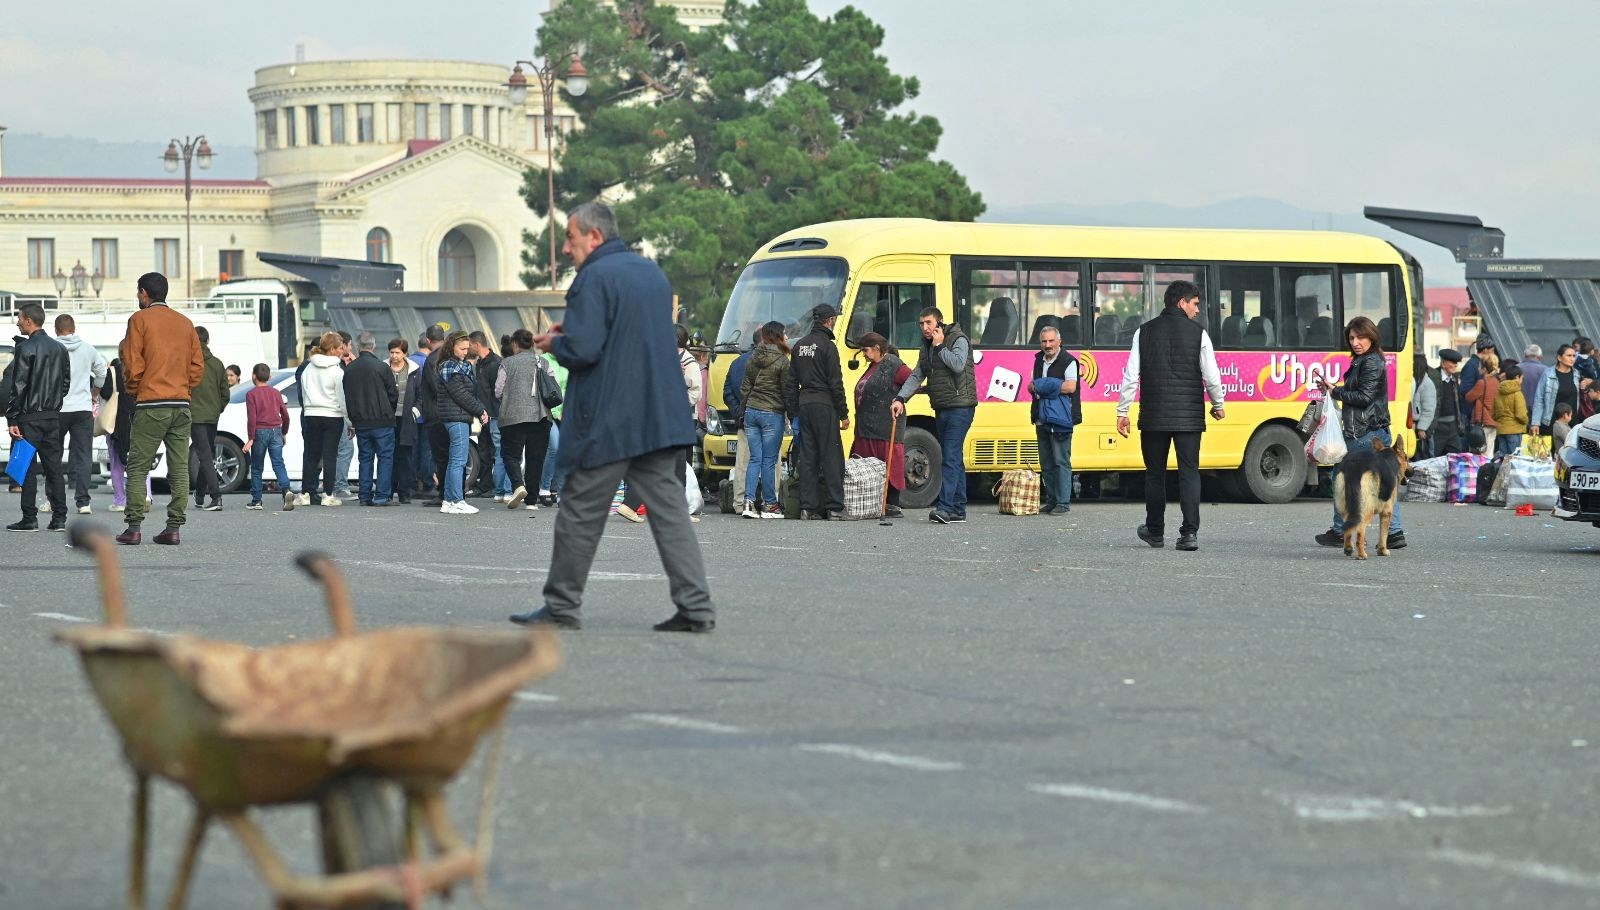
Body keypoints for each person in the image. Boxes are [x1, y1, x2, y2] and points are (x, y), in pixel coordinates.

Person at [513, 201, 715, 633]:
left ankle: (562, 605)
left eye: (570, 238)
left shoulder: (593, 277)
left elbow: (586, 350)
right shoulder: (651, 275)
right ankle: (696, 607)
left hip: (608, 420)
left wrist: (554, 344)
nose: (566, 249)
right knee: (670, 515)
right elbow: (629, 336)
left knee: (579, 513)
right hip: (659, 416)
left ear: (594, 236)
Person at [1115, 281, 1225, 552]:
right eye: (1195, 304)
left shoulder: (1144, 332)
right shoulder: (1199, 334)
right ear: (1181, 303)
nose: (1197, 310)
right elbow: (1211, 375)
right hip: (1188, 418)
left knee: (1155, 475)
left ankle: (1155, 532)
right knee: (1189, 473)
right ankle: (1189, 535)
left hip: (1153, 417)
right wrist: (1218, 403)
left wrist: (1122, 411)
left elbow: (1131, 376)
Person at [117, 273, 205, 546]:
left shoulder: (139, 320)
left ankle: (133, 527)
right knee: (179, 466)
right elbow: (197, 366)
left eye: (138, 292)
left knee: (139, 465)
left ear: (144, 293)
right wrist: (183, 387)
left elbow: (132, 363)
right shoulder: (185, 323)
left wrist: (136, 389)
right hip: (180, 404)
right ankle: (174, 527)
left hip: (151, 402)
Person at [1314, 316, 1405, 551]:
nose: (1355, 342)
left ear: (1371, 336)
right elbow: (1362, 392)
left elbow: (1364, 398)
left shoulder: (1371, 362)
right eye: (1352, 338)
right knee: (1385, 480)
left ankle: (1339, 530)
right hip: (1372, 431)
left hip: (1365, 433)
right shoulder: (1365, 361)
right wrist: (1336, 389)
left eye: (1360, 337)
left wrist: (1337, 394)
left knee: (1343, 477)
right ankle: (1394, 533)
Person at [894, 306, 977, 524]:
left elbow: (958, 366)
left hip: (961, 406)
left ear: (939, 323)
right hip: (941, 406)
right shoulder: (926, 347)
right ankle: (959, 509)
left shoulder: (958, 339)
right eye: (921, 324)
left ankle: (946, 508)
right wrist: (900, 398)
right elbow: (916, 375)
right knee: (954, 458)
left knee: (949, 456)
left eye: (929, 323)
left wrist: (940, 347)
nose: (925, 328)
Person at [6, 302, 70, 533]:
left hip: (29, 417)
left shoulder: (25, 348)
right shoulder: (59, 348)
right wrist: (53, 403)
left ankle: (29, 518)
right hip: (52, 416)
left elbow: (19, 386)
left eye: (20, 318)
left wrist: (12, 418)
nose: (18, 322)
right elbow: (65, 384)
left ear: (29, 320)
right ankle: (59, 518)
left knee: (27, 468)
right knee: (54, 468)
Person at [788, 304, 849, 520]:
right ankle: (834, 507)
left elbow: (791, 382)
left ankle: (807, 508)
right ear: (829, 320)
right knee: (832, 456)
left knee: (808, 457)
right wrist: (844, 413)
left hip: (805, 406)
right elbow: (836, 383)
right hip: (825, 405)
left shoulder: (799, 346)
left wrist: (793, 411)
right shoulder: (828, 347)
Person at [850, 331, 911, 518]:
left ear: (877, 348)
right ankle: (874, 502)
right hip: (867, 427)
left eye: (865, 350)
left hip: (885, 426)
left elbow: (912, 381)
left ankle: (892, 503)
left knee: (890, 464)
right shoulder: (874, 365)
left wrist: (900, 400)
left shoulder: (892, 363)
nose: (863, 354)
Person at [52, 313, 107, 515]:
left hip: (57, 409)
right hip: (82, 409)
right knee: (84, 456)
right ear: (74, 328)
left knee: (53, 455)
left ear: (56, 329)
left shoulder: (51, 348)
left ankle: (53, 500)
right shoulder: (88, 349)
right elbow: (102, 373)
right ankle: (83, 502)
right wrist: (94, 394)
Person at [495, 328, 556, 511]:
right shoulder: (544, 362)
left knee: (510, 455)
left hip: (513, 418)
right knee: (535, 459)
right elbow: (551, 386)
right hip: (541, 417)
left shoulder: (507, 363)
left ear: (515, 344)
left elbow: (498, 390)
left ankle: (518, 485)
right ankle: (531, 502)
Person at [737, 321, 793, 518]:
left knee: (754, 459)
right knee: (769, 461)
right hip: (772, 413)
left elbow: (745, 387)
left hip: (752, 411)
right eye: (784, 334)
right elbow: (787, 391)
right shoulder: (783, 361)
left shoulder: (753, 357)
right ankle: (770, 505)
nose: (786, 337)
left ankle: (748, 503)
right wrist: (790, 413)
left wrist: (745, 409)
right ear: (777, 336)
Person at [343, 331, 399, 506]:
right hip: (382, 420)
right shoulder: (382, 367)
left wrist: (353, 419)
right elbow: (393, 394)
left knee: (365, 458)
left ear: (359, 347)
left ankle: (364, 496)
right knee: (385, 457)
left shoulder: (349, 369)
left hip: (361, 422)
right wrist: (389, 411)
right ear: (373, 346)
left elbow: (347, 396)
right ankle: (382, 495)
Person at [1030, 324, 1080, 515]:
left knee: (1061, 461)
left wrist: (1043, 386)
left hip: (1061, 419)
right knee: (1046, 462)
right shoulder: (1038, 360)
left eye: (1051, 341)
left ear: (1059, 341)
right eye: (1044, 341)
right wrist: (1042, 387)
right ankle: (1051, 500)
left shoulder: (1069, 361)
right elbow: (1031, 386)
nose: (1048, 345)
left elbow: (1070, 388)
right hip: (1041, 417)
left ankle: (1063, 502)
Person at [436, 331, 487, 515]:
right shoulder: (451, 366)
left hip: (456, 417)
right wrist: (480, 410)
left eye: (467, 348)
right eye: (462, 348)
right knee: (459, 461)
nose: (466, 352)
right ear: (452, 347)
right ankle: (457, 500)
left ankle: (449, 500)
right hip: (456, 418)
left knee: (454, 461)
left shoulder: (457, 365)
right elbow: (462, 395)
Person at [298, 332, 348, 507]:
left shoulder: (308, 369)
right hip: (332, 416)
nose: (341, 350)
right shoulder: (337, 371)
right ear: (333, 349)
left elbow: (304, 393)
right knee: (330, 456)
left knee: (311, 456)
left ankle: (305, 494)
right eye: (340, 347)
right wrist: (347, 418)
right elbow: (341, 398)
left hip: (311, 414)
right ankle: (328, 495)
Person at [101, 346, 151, 513]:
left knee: (117, 463)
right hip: (139, 418)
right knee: (142, 460)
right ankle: (145, 496)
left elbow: (105, 393)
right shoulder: (142, 369)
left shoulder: (113, 371)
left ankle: (121, 500)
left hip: (116, 422)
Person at [188, 325, 230, 511]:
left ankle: (216, 496)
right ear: (208, 340)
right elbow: (225, 393)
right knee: (207, 454)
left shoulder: (188, 364)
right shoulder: (218, 364)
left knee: (204, 455)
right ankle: (199, 495)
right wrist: (217, 408)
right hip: (212, 416)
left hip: (195, 415)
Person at [241, 363, 294, 511]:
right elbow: (285, 415)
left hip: (259, 431)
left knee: (257, 467)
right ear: (270, 377)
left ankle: (257, 500)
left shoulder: (251, 394)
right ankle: (286, 490)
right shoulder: (276, 393)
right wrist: (284, 431)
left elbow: (252, 418)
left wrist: (251, 438)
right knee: (278, 463)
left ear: (253, 376)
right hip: (276, 430)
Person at [469, 331, 510, 502]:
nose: (468, 348)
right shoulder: (480, 364)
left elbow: (499, 392)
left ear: (477, 344)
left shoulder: (495, 363)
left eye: (470, 344)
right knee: (484, 449)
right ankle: (484, 485)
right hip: (481, 414)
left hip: (493, 414)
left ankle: (496, 487)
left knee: (496, 451)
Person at [722, 330, 756, 504]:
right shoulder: (772, 361)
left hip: (743, 419)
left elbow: (727, 392)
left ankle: (740, 501)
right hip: (769, 418)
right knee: (771, 461)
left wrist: (738, 412)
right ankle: (770, 502)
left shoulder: (736, 363)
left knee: (742, 462)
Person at [388, 339, 419, 504]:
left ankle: (404, 492)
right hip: (388, 418)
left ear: (404, 353)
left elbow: (420, 394)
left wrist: (415, 412)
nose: (394, 356)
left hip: (407, 418)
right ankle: (388, 489)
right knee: (388, 454)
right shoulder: (383, 368)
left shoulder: (414, 369)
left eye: (397, 352)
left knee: (406, 455)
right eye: (392, 352)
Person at [1530, 344, 1582, 437]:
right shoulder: (1548, 374)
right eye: (1569, 356)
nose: (1572, 359)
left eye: (1574, 356)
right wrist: (1535, 422)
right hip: (1551, 422)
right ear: (1559, 357)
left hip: (1571, 423)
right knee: (1549, 450)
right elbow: (1539, 399)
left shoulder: (1576, 374)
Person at [538, 350, 567, 507]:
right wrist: (557, 412)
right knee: (554, 448)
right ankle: (544, 487)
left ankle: (562, 493)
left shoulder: (567, 359)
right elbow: (546, 390)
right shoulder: (544, 361)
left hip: (565, 413)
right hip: (549, 412)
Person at [332, 330, 356, 499]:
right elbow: (342, 397)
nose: (351, 348)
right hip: (337, 415)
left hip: (322, 415)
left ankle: (327, 486)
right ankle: (340, 487)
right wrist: (349, 421)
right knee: (346, 449)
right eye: (349, 345)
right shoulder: (337, 368)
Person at [1431, 349, 1466, 456]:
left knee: (1456, 456)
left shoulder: (1455, 379)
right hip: (1437, 426)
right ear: (1443, 363)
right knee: (1434, 456)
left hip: (1453, 426)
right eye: (1452, 362)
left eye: (1456, 363)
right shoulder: (1433, 377)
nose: (1455, 365)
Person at [1465, 350, 1500, 455]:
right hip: (1493, 422)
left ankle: (1479, 471)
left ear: (1484, 369)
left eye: (1479, 365)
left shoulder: (1482, 383)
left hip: (1482, 424)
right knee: (1489, 453)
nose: (1478, 367)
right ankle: (1487, 471)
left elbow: (1468, 397)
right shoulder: (1497, 382)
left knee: (1478, 454)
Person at [1492, 362, 1528, 457]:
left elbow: (1494, 413)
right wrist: (1526, 421)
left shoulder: (1498, 393)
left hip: (1501, 430)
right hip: (1514, 430)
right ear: (1517, 377)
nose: (1522, 380)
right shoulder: (1517, 393)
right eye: (1521, 378)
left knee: (1502, 457)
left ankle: (1500, 472)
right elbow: (1521, 415)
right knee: (1514, 458)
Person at [1410, 354, 1438, 460]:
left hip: (1420, 427)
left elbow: (1429, 409)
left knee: (1423, 456)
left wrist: (1422, 428)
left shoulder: (1427, 384)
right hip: (1414, 425)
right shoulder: (1416, 381)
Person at [1518, 345, 1545, 415]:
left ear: (1525, 355)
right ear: (1540, 357)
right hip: (1538, 412)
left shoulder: (1515, 368)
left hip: (1518, 410)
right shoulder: (1546, 370)